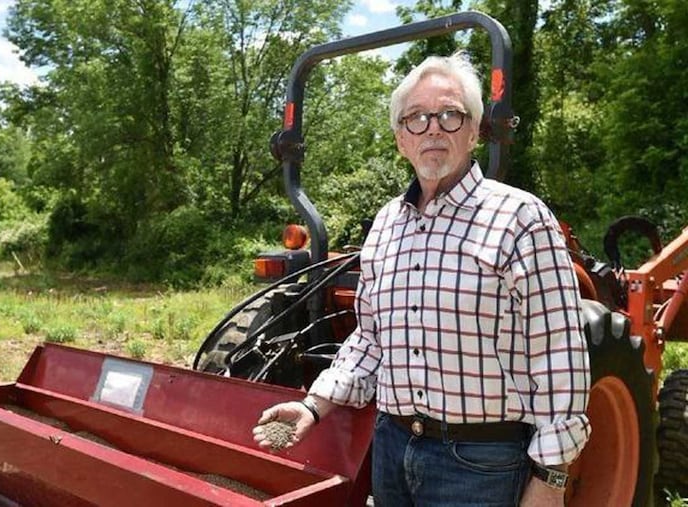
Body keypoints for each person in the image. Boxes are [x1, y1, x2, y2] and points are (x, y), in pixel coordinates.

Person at [253, 51, 590, 507]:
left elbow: (558, 354)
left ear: (474, 131)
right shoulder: (388, 223)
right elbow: (372, 339)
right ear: (400, 139)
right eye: (416, 118)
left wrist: (551, 477)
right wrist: (314, 405)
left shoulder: (521, 219)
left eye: (450, 115)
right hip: (392, 448)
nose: (433, 127)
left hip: (480, 463)